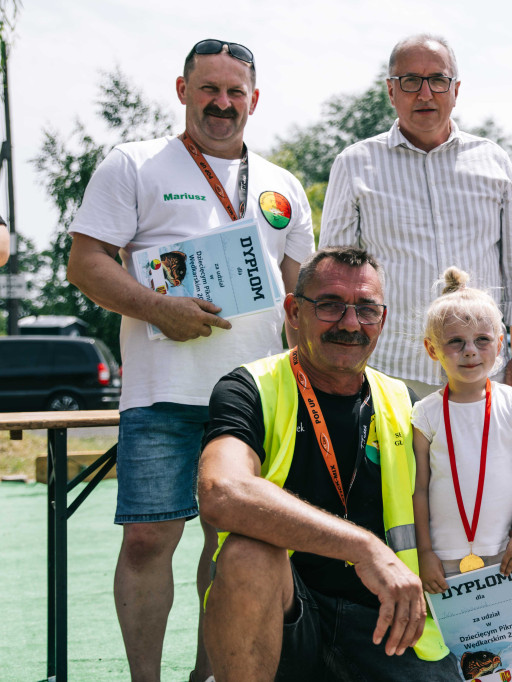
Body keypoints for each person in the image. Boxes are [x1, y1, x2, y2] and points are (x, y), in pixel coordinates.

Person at [65, 39, 315, 682]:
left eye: (235, 92)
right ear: (183, 92)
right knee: (149, 540)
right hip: (161, 392)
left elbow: (299, 297)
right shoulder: (135, 164)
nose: (222, 103)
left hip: (254, 397)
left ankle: (207, 676)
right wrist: (156, 308)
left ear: (254, 100)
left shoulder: (283, 185)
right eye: (209, 89)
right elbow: (85, 262)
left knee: (234, 547)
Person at [197, 248, 512, 680]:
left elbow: (459, 491)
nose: (351, 323)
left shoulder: (407, 404)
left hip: (392, 623)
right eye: (330, 305)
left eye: (366, 309)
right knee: (245, 554)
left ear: (382, 321)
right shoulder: (250, 387)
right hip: (290, 614)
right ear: (294, 312)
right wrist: (362, 547)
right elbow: (221, 491)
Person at [319, 34, 512, 401]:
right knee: (398, 463)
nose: (425, 94)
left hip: (483, 367)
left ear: (455, 89)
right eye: (410, 81)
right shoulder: (355, 163)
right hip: (391, 371)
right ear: (391, 91)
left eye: (438, 80)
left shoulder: (492, 160)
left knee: (480, 462)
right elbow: (335, 273)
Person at [412, 267, 512, 590]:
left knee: (507, 634)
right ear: (432, 349)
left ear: (500, 344)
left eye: (482, 340)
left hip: (506, 551)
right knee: (455, 639)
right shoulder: (425, 414)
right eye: (456, 342)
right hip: (444, 555)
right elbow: (418, 489)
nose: (470, 350)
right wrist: (424, 552)